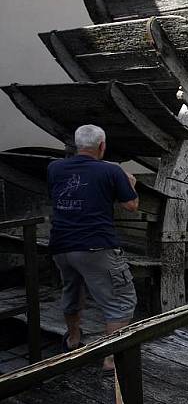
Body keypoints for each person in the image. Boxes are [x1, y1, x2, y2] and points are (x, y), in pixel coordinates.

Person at [47, 125, 139, 374]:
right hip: (96, 247)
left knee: (73, 292)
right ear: (102, 146)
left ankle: (73, 341)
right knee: (120, 302)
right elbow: (131, 205)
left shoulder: (54, 168)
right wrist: (130, 184)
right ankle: (111, 359)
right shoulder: (111, 170)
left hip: (61, 246)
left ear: (78, 146)